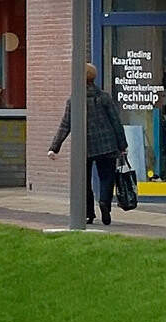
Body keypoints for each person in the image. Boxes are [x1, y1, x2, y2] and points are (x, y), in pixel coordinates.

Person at [46, 61, 128, 227]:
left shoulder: (74, 100)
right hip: (107, 144)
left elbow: (65, 125)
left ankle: (88, 214)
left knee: (84, 181)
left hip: (84, 146)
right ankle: (104, 202)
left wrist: (54, 148)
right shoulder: (104, 97)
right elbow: (116, 122)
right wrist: (122, 145)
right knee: (107, 177)